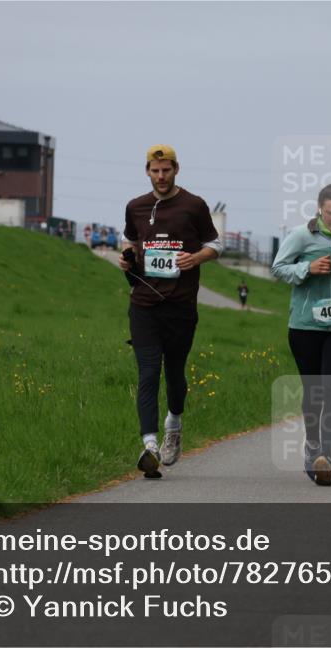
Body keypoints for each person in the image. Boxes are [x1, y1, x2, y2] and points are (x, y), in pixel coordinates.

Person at [120, 144, 224, 478]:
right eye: (155, 170)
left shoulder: (194, 205)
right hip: (144, 304)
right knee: (148, 371)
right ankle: (149, 446)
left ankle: (174, 425)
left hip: (180, 306)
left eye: (166, 170)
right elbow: (130, 241)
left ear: (176, 169)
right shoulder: (136, 206)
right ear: (147, 171)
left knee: (174, 373)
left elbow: (216, 244)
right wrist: (128, 258)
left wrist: (196, 258)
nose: (161, 176)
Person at [271, 183, 331, 487]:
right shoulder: (302, 235)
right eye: (330, 213)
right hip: (304, 325)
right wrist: (307, 268)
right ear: (319, 209)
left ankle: (326, 457)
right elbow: (278, 268)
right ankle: (312, 446)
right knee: (313, 393)